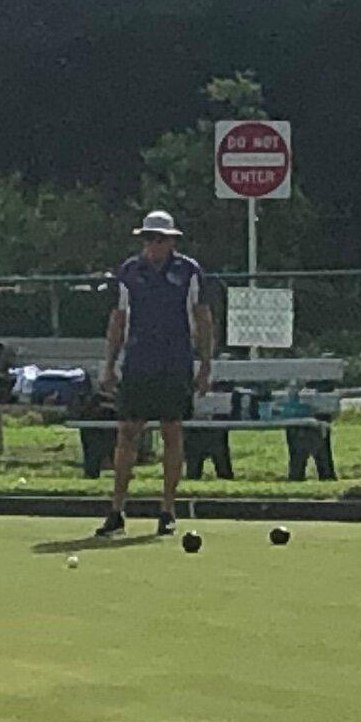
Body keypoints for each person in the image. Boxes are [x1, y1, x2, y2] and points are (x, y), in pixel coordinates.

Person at [95, 209, 216, 537]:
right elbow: (118, 319)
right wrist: (108, 363)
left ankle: (167, 510)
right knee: (128, 433)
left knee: (172, 432)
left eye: (160, 239)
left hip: (175, 362)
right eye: (149, 238)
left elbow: (202, 318)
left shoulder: (189, 271)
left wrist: (205, 364)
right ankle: (117, 510)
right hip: (138, 362)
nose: (153, 244)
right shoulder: (129, 272)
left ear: (172, 241)